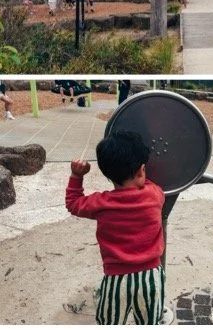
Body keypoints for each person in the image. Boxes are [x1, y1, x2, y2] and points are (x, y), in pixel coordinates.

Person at [65, 131, 165, 324]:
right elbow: (153, 186)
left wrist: (76, 175)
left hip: (116, 279)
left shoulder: (101, 203)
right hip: (151, 277)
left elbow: (73, 203)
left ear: (108, 173)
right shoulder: (154, 195)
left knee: (110, 321)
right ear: (141, 171)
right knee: (150, 321)